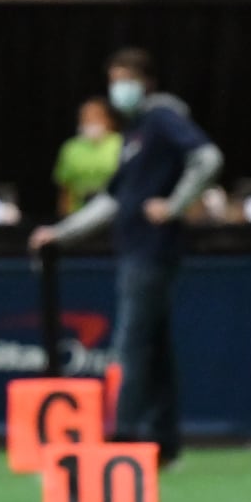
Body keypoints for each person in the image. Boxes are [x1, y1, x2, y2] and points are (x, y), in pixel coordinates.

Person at [29, 48, 223, 469]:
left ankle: (124, 440)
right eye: (115, 79)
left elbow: (208, 158)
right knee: (155, 349)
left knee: (132, 346)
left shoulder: (160, 118)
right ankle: (164, 441)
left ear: (145, 81)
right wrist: (60, 233)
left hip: (152, 253)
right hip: (137, 250)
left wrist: (175, 204)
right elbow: (112, 201)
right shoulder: (134, 133)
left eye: (125, 78)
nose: (119, 88)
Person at [52, 97, 122, 216]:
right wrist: (64, 218)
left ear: (109, 119)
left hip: (114, 214)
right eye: (85, 117)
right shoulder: (71, 148)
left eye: (96, 116)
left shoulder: (121, 143)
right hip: (78, 214)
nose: (90, 120)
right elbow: (65, 189)